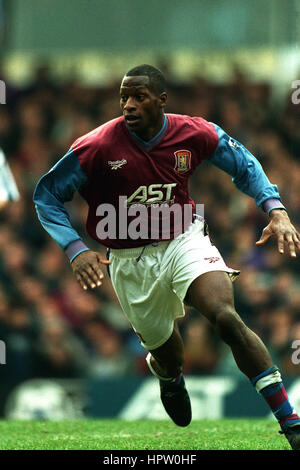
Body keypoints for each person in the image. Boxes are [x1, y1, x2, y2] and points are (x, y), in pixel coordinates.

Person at [33, 64, 300, 450]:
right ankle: (169, 376)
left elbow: (244, 164)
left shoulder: (194, 131)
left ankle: (290, 421)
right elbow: (46, 197)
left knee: (225, 317)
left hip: (183, 239)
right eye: (123, 97)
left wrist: (276, 210)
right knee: (170, 355)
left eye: (139, 96)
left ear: (161, 100)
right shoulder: (97, 147)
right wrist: (75, 249)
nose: (128, 104)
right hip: (128, 261)